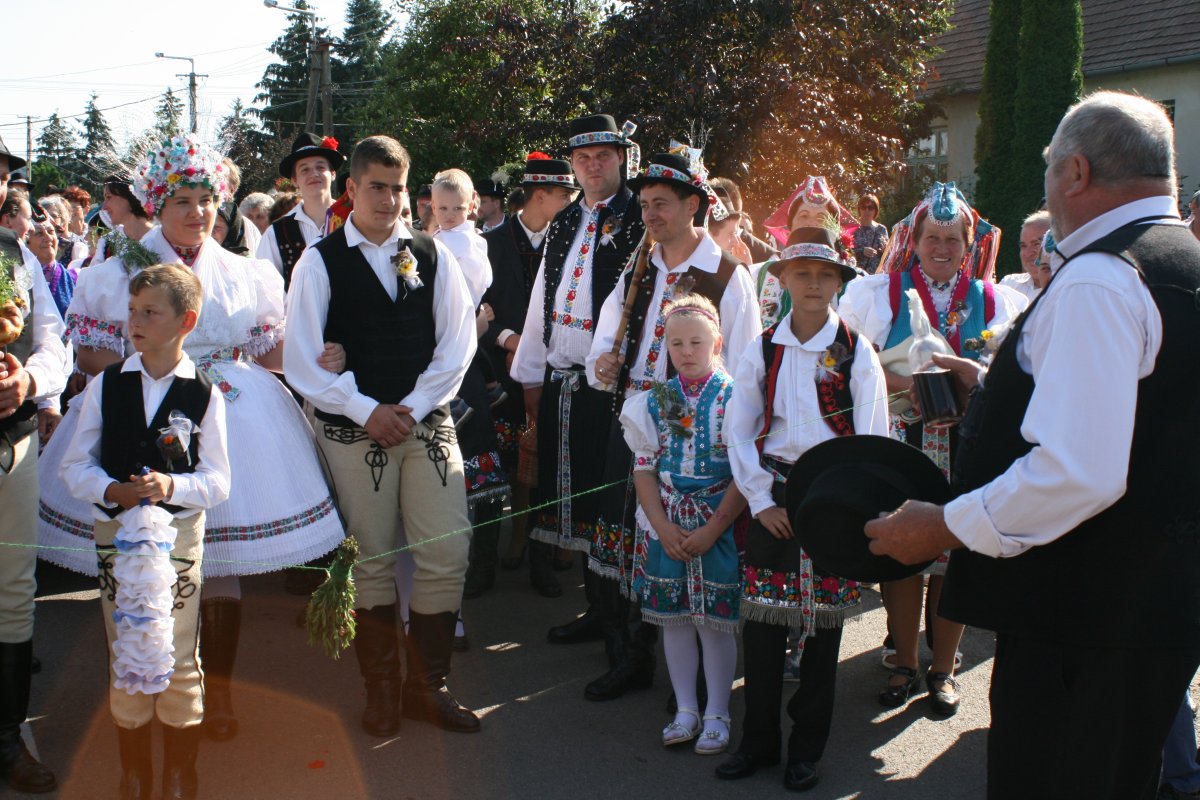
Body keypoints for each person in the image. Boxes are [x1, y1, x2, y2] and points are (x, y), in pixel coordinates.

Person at [864, 91, 1200, 800]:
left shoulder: (1104, 278)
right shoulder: (1181, 260)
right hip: (1151, 604)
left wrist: (942, 524)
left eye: (1050, 167)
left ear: (1075, 172)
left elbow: (1078, 471)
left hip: (1081, 617)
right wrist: (987, 387)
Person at [36, 133, 345, 744]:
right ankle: (135, 693)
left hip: (233, 415)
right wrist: (154, 379)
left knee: (220, 561)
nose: (198, 211)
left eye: (207, 198)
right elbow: (97, 358)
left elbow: (271, 349)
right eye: (184, 199)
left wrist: (321, 355)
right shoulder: (119, 268)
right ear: (157, 202)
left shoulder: (242, 270)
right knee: (137, 558)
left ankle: (213, 693)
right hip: (141, 411)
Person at [285, 134, 480, 736]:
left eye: (398, 189)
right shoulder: (318, 262)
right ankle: (383, 689)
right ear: (350, 189)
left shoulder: (433, 253)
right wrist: (365, 409)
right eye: (377, 187)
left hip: (425, 422)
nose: (390, 200)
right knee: (370, 560)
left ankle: (429, 686)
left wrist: (415, 406)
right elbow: (301, 357)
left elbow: (458, 343)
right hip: (353, 429)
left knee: (447, 551)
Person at [585, 148, 760, 701]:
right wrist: (604, 362)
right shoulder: (641, 266)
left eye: (661, 204)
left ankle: (696, 679)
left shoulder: (727, 275)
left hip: (696, 436)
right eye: (644, 205)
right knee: (638, 540)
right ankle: (637, 655)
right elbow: (607, 333)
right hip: (637, 424)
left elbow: (747, 367)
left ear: (694, 206)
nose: (650, 215)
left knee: (694, 546)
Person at [839, 181, 1018, 717]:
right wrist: (900, 386)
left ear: (970, 245)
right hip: (903, 441)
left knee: (953, 554)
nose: (942, 249)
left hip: (966, 445)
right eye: (931, 237)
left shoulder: (996, 300)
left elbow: (1011, 377)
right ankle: (903, 660)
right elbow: (850, 366)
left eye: (953, 239)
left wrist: (975, 379)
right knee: (904, 552)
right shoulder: (877, 293)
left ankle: (944, 667)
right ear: (912, 240)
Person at [719, 226, 887, 791]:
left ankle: (806, 749)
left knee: (823, 635)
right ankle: (759, 741)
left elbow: (872, 442)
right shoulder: (763, 347)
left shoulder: (855, 351)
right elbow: (738, 432)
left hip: (833, 503)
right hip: (776, 500)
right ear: (783, 280)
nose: (814, 284)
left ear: (839, 282)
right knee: (762, 629)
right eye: (802, 274)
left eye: (825, 275)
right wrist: (762, 500)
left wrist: (850, 507)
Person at [61, 263, 230, 800]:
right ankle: (133, 771)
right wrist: (113, 491)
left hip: (177, 540)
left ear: (187, 321)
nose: (135, 321)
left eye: (150, 313)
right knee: (125, 645)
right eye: (132, 311)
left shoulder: (204, 393)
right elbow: (74, 466)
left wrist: (170, 486)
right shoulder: (107, 385)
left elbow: (218, 481)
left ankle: (182, 772)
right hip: (118, 538)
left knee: (178, 652)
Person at [511, 114, 645, 648]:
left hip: (613, 387)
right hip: (561, 378)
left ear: (622, 159)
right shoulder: (564, 221)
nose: (592, 166)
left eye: (603, 157)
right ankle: (597, 608)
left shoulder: (641, 218)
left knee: (613, 501)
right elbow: (543, 299)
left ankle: (624, 623)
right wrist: (529, 373)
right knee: (578, 499)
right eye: (583, 159)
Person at [622, 294, 745, 755]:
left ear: (717, 342)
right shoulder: (661, 398)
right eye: (676, 344)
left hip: (717, 522)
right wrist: (660, 524)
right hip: (669, 522)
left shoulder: (735, 397)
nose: (686, 352)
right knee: (673, 619)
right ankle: (687, 710)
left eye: (696, 342)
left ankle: (718, 711)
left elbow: (742, 471)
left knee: (715, 621)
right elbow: (644, 466)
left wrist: (713, 528)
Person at [473, 153, 578, 596]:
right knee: (498, 467)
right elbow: (475, 311)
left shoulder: (572, 244)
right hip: (500, 376)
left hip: (553, 374)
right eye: (565, 196)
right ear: (541, 195)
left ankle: (539, 555)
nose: (572, 204)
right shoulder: (489, 244)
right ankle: (484, 563)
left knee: (545, 464)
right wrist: (508, 337)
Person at [0, 132, 65, 794]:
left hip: (13, 441)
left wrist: (31, 382)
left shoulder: (16, 253)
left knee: (14, 592)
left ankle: (7, 738)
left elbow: (54, 341)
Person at [257, 133, 345, 287]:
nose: (314, 174)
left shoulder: (354, 219)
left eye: (320, 167)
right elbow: (266, 291)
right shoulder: (276, 234)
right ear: (294, 180)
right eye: (305, 170)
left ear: (332, 174)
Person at [1000, 209, 1053, 303]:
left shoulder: (1065, 288)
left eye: (1036, 243)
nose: (1028, 253)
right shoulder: (1009, 284)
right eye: (1023, 246)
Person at [26, 220, 74, 319]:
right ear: (26, 241)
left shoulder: (73, 279)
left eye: (51, 231)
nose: (48, 238)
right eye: (39, 233)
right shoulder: (17, 276)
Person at [852, 193, 889, 273]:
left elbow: (888, 255)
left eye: (870, 208)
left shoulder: (881, 229)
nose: (866, 211)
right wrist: (861, 251)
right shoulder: (853, 228)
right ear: (859, 209)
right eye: (863, 207)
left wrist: (885, 251)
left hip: (876, 277)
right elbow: (844, 251)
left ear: (876, 210)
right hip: (856, 275)